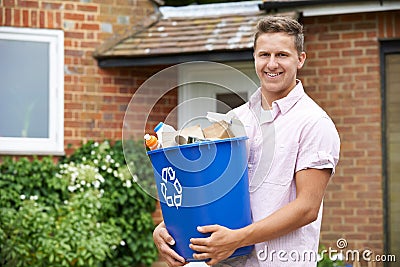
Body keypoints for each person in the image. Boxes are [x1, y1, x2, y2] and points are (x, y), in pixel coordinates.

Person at [152, 16, 340, 267]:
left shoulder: (314, 123)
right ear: (254, 57)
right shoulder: (233, 119)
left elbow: (307, 208)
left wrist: (237, 239)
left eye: (282, 55)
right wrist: (168, 228)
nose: (271, 64)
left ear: (300, 59)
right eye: (264, 55)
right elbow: (209, 188)